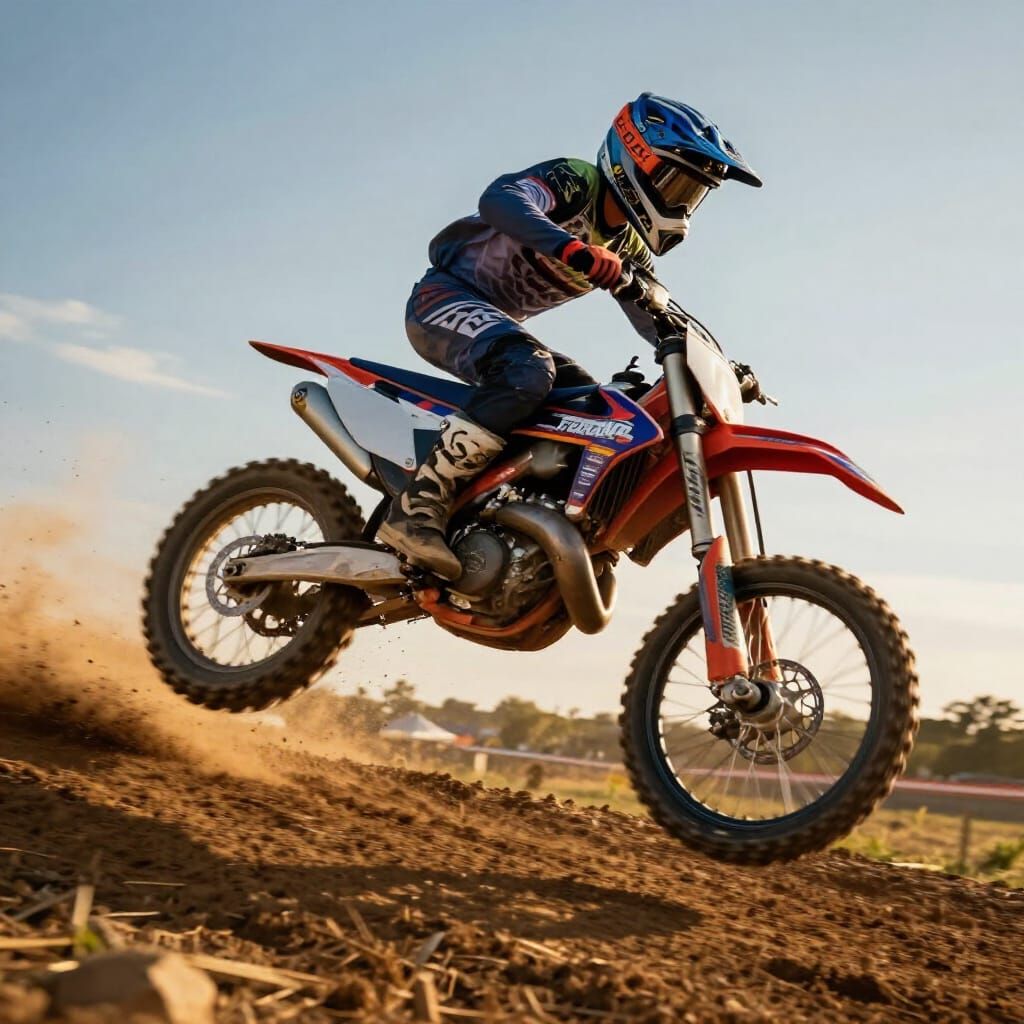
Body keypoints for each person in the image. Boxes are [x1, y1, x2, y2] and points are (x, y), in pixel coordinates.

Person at [377, 92, 762, 579]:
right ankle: (416, 506)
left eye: (693, 193)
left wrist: (719, 367)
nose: (682, 202)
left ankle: (517, 518)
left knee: (594, 407)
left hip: (498, 326)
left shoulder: (627, 247)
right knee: (528, 371)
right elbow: (501, 200)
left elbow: (661, 320)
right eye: (676, 183)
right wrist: (573, 248)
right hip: (442, 299)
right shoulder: (576, 181)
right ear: (632, 161)